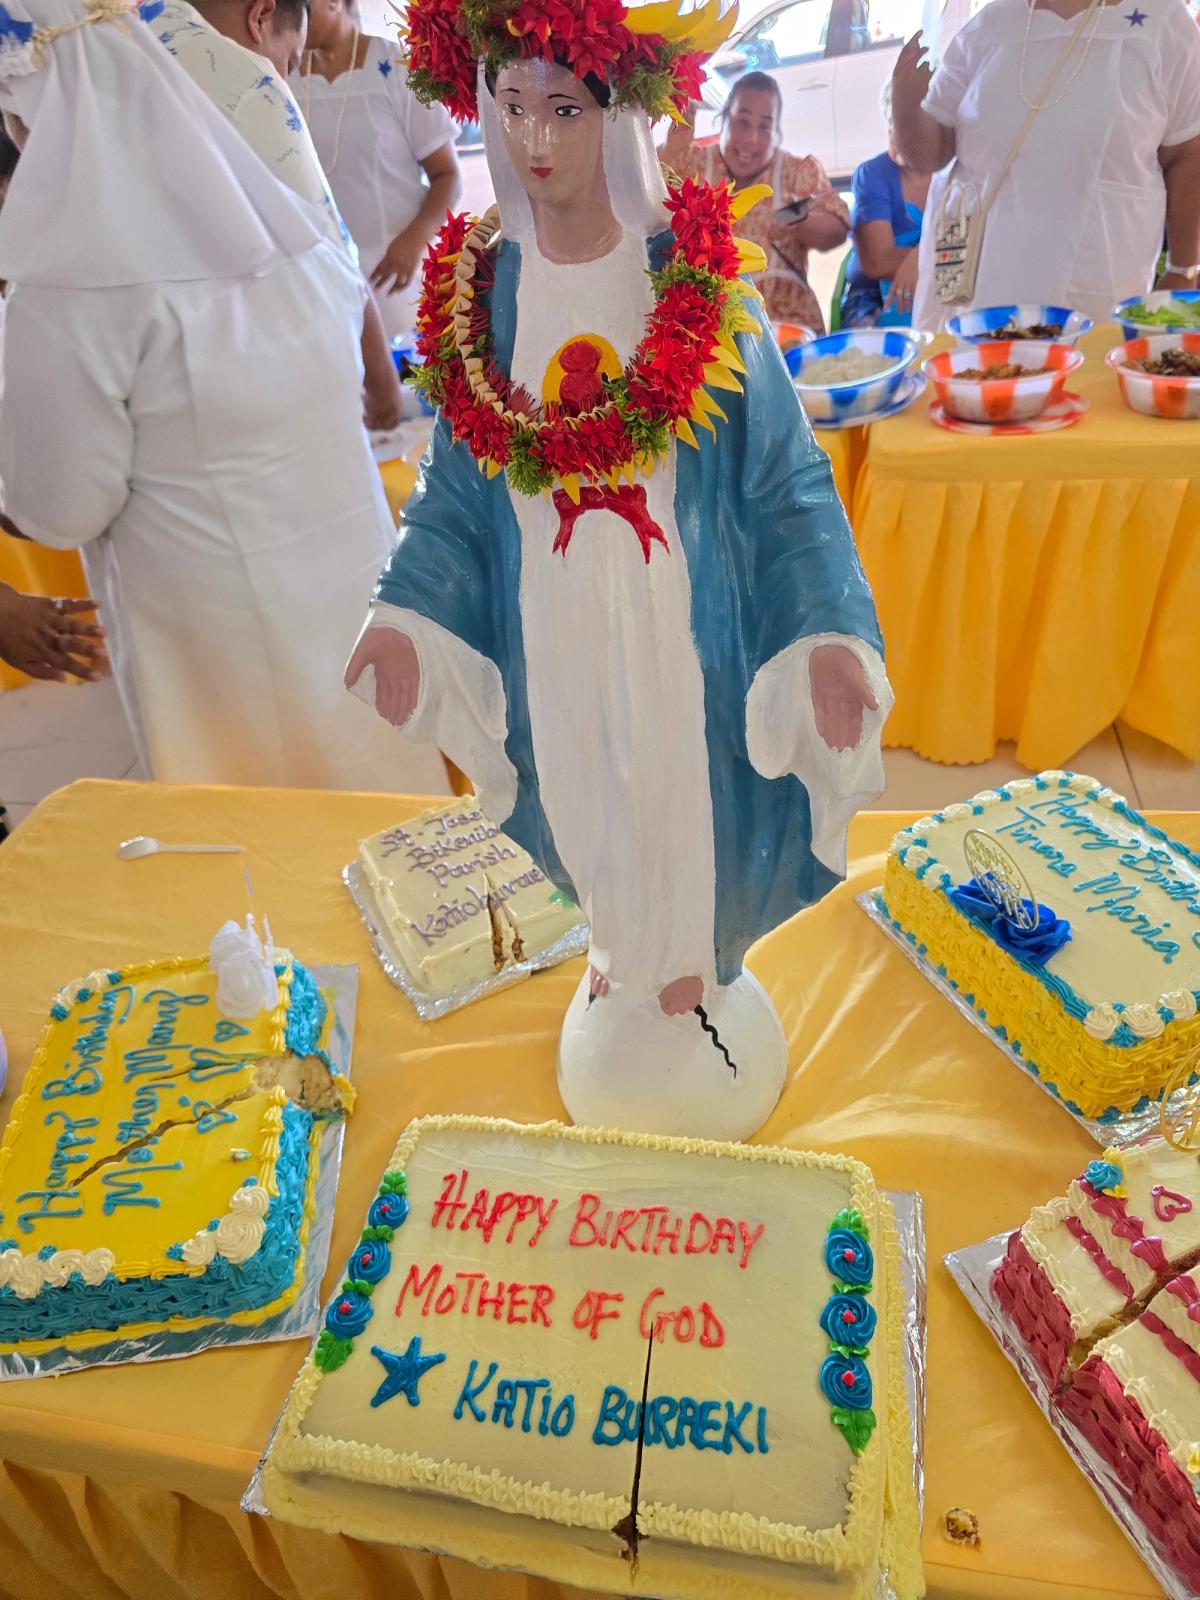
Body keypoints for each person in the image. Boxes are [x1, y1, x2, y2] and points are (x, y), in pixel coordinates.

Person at [345, 13, 891, 1027]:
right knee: (581, 782)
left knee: (680, 779)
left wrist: (824, 633)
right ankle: (619, 943)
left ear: (620, 115)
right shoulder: (485, 301)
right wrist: (407, 615)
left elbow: (788, 484)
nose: (534, 142)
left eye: (562, 110)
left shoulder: (694, 283)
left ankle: (692, 960)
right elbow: (456, 491)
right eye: (511, 109)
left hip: (682, 622)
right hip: (547, 617)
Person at [0, 0, 446, 791]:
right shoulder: (286, 225)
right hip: (355, 604)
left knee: (261, 856)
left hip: (220, 650)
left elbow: (63, 508)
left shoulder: (71, 286)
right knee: (380, 822)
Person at [153, 0, 402, 428]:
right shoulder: (246, 78)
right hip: (229, 369)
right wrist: (382, 389)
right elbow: (331, 253)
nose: (286, 76)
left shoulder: (132, 34)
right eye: (288, 60)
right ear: (260, 16)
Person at [891, 0, 1200, 331]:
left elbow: (1188, 157)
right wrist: (905, 108)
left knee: (1084, 377)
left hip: (1092, 290)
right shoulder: (988, 26)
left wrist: (1183, 270)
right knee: (974, 373)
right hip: (974, 294)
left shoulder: (1163, 23)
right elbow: (930, 154)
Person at [291, 0, 462, 341]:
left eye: (299, 6)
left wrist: (413, 242)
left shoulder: (397, 66)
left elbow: (448, 176)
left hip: (395, 277)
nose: (290, 16)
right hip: (322, 285)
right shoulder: (285, 70)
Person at [663, 69, 850, 333]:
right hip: (706, 330)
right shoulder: (689, 163)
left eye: (764, 126)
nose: (751, 139)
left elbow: (837, 230)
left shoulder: (795, 172)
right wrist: (671, 149)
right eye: (743, 122)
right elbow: (645, 204)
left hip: (789, 332)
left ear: (776, 132)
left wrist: (799, 221)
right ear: (724, 119)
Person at [840, 82, 930, 326]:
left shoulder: (954, 172)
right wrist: (930, 257)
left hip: (934, 293)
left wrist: (922, 257)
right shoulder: (872, 174)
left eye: (913, 127)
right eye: (894, 126)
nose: (899, 138)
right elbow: (877, 261)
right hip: (873, 297)